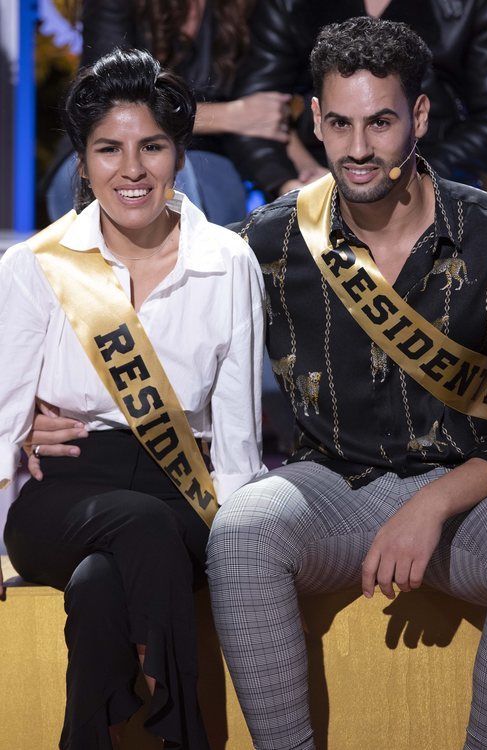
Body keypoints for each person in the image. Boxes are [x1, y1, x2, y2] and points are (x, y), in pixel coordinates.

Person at [205, 17, 487, 750]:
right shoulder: (268, 241)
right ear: (315, 119)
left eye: (380, 123)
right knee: (242, 532)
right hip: (329, 489)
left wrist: (435, 502)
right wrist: (55, 406)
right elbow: (172, 334)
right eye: (340, 123)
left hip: (469, 500)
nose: (359, 149)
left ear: (419, 116)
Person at [0, 47, 266, 750]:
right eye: (108, 149)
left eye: (151, 146)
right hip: (63, 495)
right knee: (133, 527)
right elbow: (2, 421)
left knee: (99, 583)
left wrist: (241, 544)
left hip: (183, 492)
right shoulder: (33, 266)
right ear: (82, 163)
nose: (132, 169)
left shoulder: (227, 261)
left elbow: (237, 436)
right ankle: (184, 732)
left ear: (178, 154)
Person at [44, 0, 291, 225]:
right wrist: (230, 116)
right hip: (104, 142)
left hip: (213, 153)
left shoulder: (248, 7)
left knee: (194, 183)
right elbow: (103, 100)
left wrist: (293, 178)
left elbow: (267, 109)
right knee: (171, 175)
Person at [225, 0, 487, 199]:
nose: (361, 150)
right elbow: (255, 111)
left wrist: (418, 177)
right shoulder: (288, 5)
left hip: (434, 171)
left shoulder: (474, 6)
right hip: (316, 173)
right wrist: (289, 183)